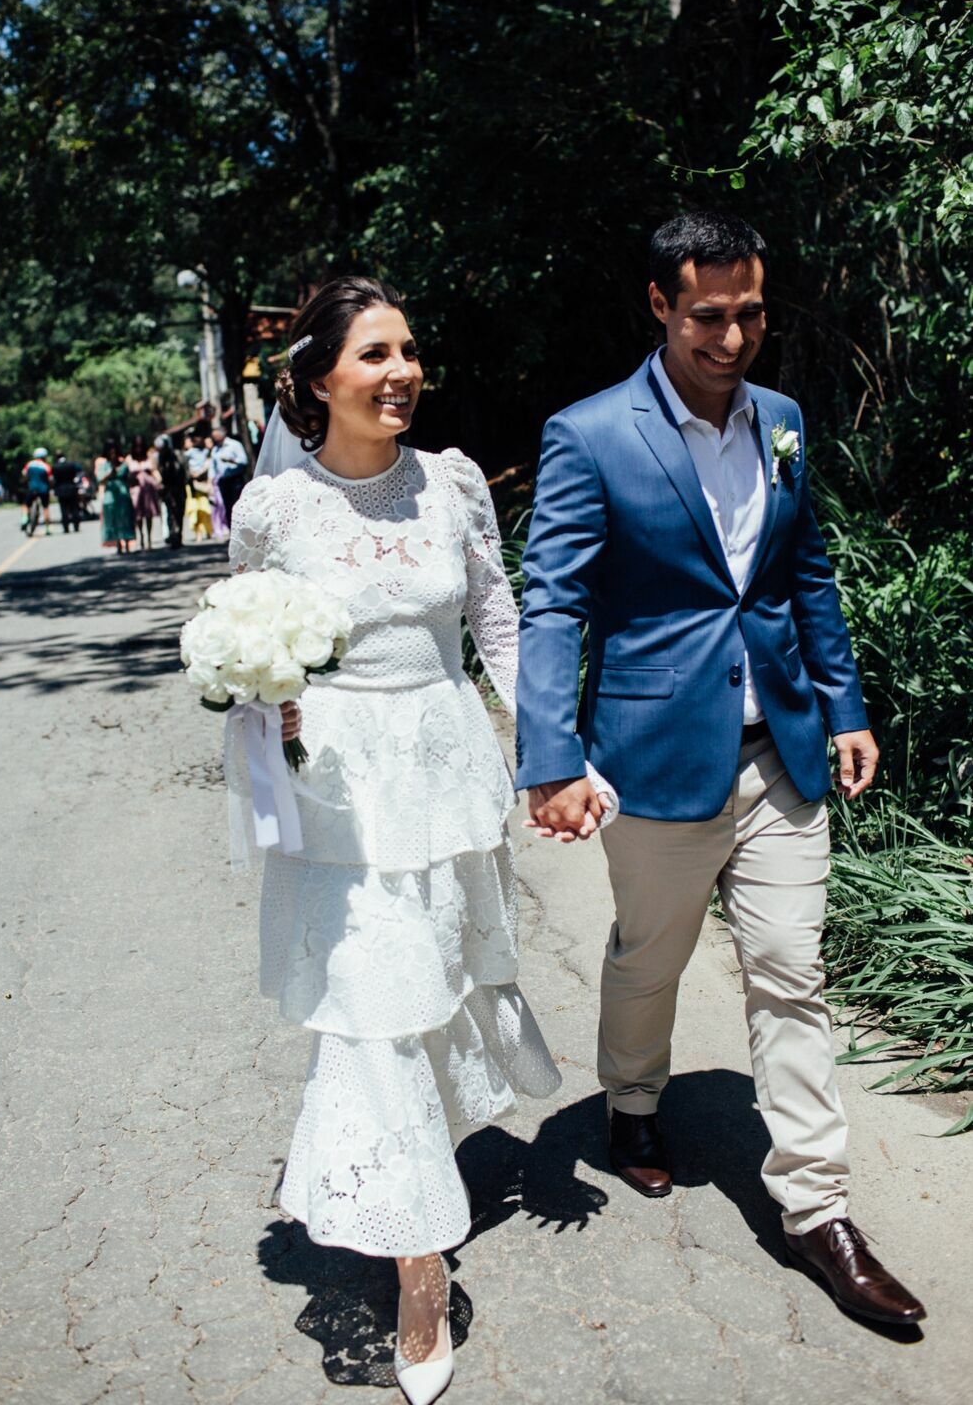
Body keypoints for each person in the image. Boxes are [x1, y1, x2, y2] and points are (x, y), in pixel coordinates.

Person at [515, 210, 926, 1329]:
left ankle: (815, 1212)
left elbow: (804, 567)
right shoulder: (589, 433)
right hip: (651, 755)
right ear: (658, 305)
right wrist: (548, 757)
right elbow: (551, 599)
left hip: (781, 753)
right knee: (650, 957)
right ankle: (633, 1098)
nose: (733, 337)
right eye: (708, 315)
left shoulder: (782, 422)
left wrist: (842, 706)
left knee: (790, 973)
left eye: (750, 313)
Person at [229, 276, 583, 1405]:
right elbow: (242, 651)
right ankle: (420, 1268)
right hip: (338, 792)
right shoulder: (270, 510)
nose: (399, 373)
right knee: (374, 1015)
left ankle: (396, 1172)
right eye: (374, 354)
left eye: (409, 352)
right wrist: (264, 705)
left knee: (427, 995)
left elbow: (495, 620)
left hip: (441, 768)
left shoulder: (453, 482)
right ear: (318, 379)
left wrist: (548, 751)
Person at [94, 439, 135, 555]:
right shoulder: (104, 464)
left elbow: (130, 478)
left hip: (123, 494)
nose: (113, 454)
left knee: (125, 518)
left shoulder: (123, 464)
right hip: (110, 495)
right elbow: (99, 480)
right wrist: (109, 474)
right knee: (113, 520)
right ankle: (118, 544)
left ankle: (127, 543)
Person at [126, 434, 162, 550]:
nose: (139, 449)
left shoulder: (149, 457)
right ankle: (141, 537)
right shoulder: (129, 459)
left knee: (149, 514)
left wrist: (159, 480)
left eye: (141, 446)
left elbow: (155, 471)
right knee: (138, 515)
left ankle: (149, 539)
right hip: (136, 490)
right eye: (137, 446)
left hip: (148, 490)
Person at [209, 424, 249, 523]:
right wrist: (210, 482)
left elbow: (244, 461)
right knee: (228, 506)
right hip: (223, 481)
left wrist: (232, 461)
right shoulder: (215, 450)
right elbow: (212, 468)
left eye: (216, 435)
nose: (215, 437)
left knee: (238, 505)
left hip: (235, 480)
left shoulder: (234, 445)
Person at [155, 435, 187, 548]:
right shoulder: (160, 458)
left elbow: (183, 471)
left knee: (179, 512)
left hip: (179, 488)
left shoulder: (178, 455)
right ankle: (173, 535)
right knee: (170, 513)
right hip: (168, 489)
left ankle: (179, 535)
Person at [183, 434, 213, 542]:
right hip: (195, 484)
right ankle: (201, 532)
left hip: (200, 483)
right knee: (198, 509)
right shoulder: (195, 453)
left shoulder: (199, 452)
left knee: (201, 509)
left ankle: (206, 531)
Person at [20, 448, 53, 534]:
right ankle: (47, 529)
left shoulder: (30, 464)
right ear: (44, 457)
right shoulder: (46, 466)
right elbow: (50, 479)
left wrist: (27, 480)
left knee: (26, 505)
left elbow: (24, 474)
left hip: (33, 488)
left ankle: (24, 519)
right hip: (44, 490)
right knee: (45, 508)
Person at [52, 453, 82, 533]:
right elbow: (80, 470)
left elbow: (53, 478)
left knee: (63, 509)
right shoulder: (71, 464)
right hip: (72, 488)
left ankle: (66, 527)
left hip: (60, 490)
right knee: (74, 508)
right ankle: (76, 526)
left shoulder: (55, 466)